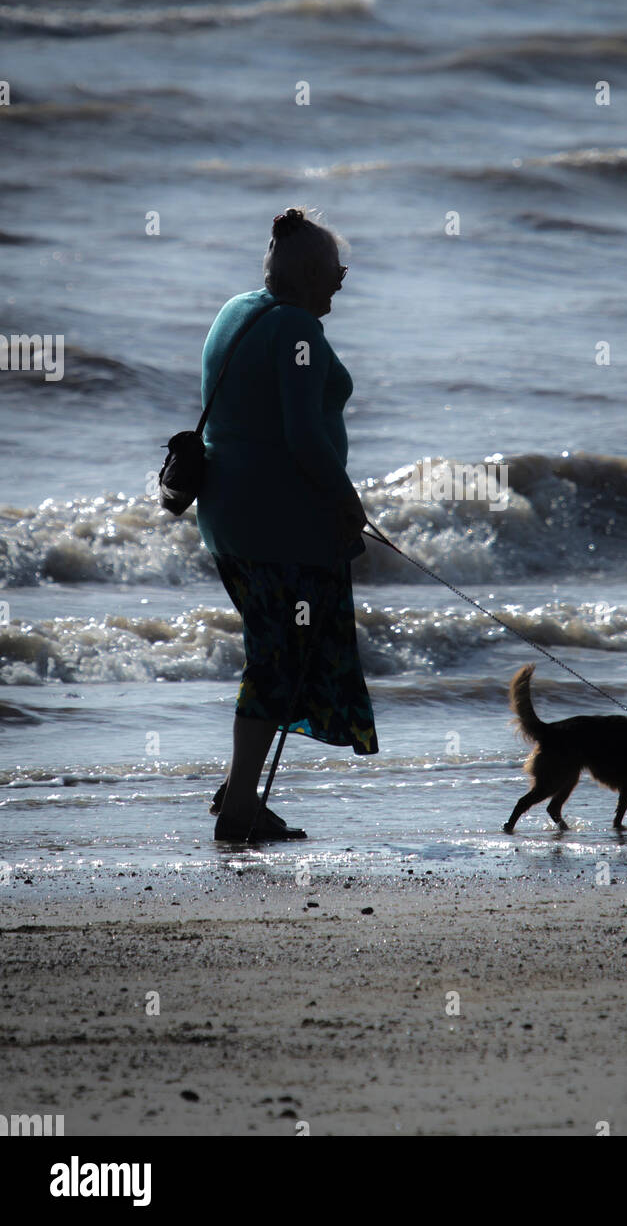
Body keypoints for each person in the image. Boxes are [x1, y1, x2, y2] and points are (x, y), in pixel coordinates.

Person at [196, 207, 378, 842]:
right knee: (276, 662)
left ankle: (238, 791)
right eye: (336, 273)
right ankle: (241, 806)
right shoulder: (298, 328)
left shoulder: (236, 311)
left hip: (227, 517)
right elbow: (302, 436)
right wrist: (346, 502)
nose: (340, 285)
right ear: (307, 275)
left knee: (272, 652)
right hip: (280, 524)